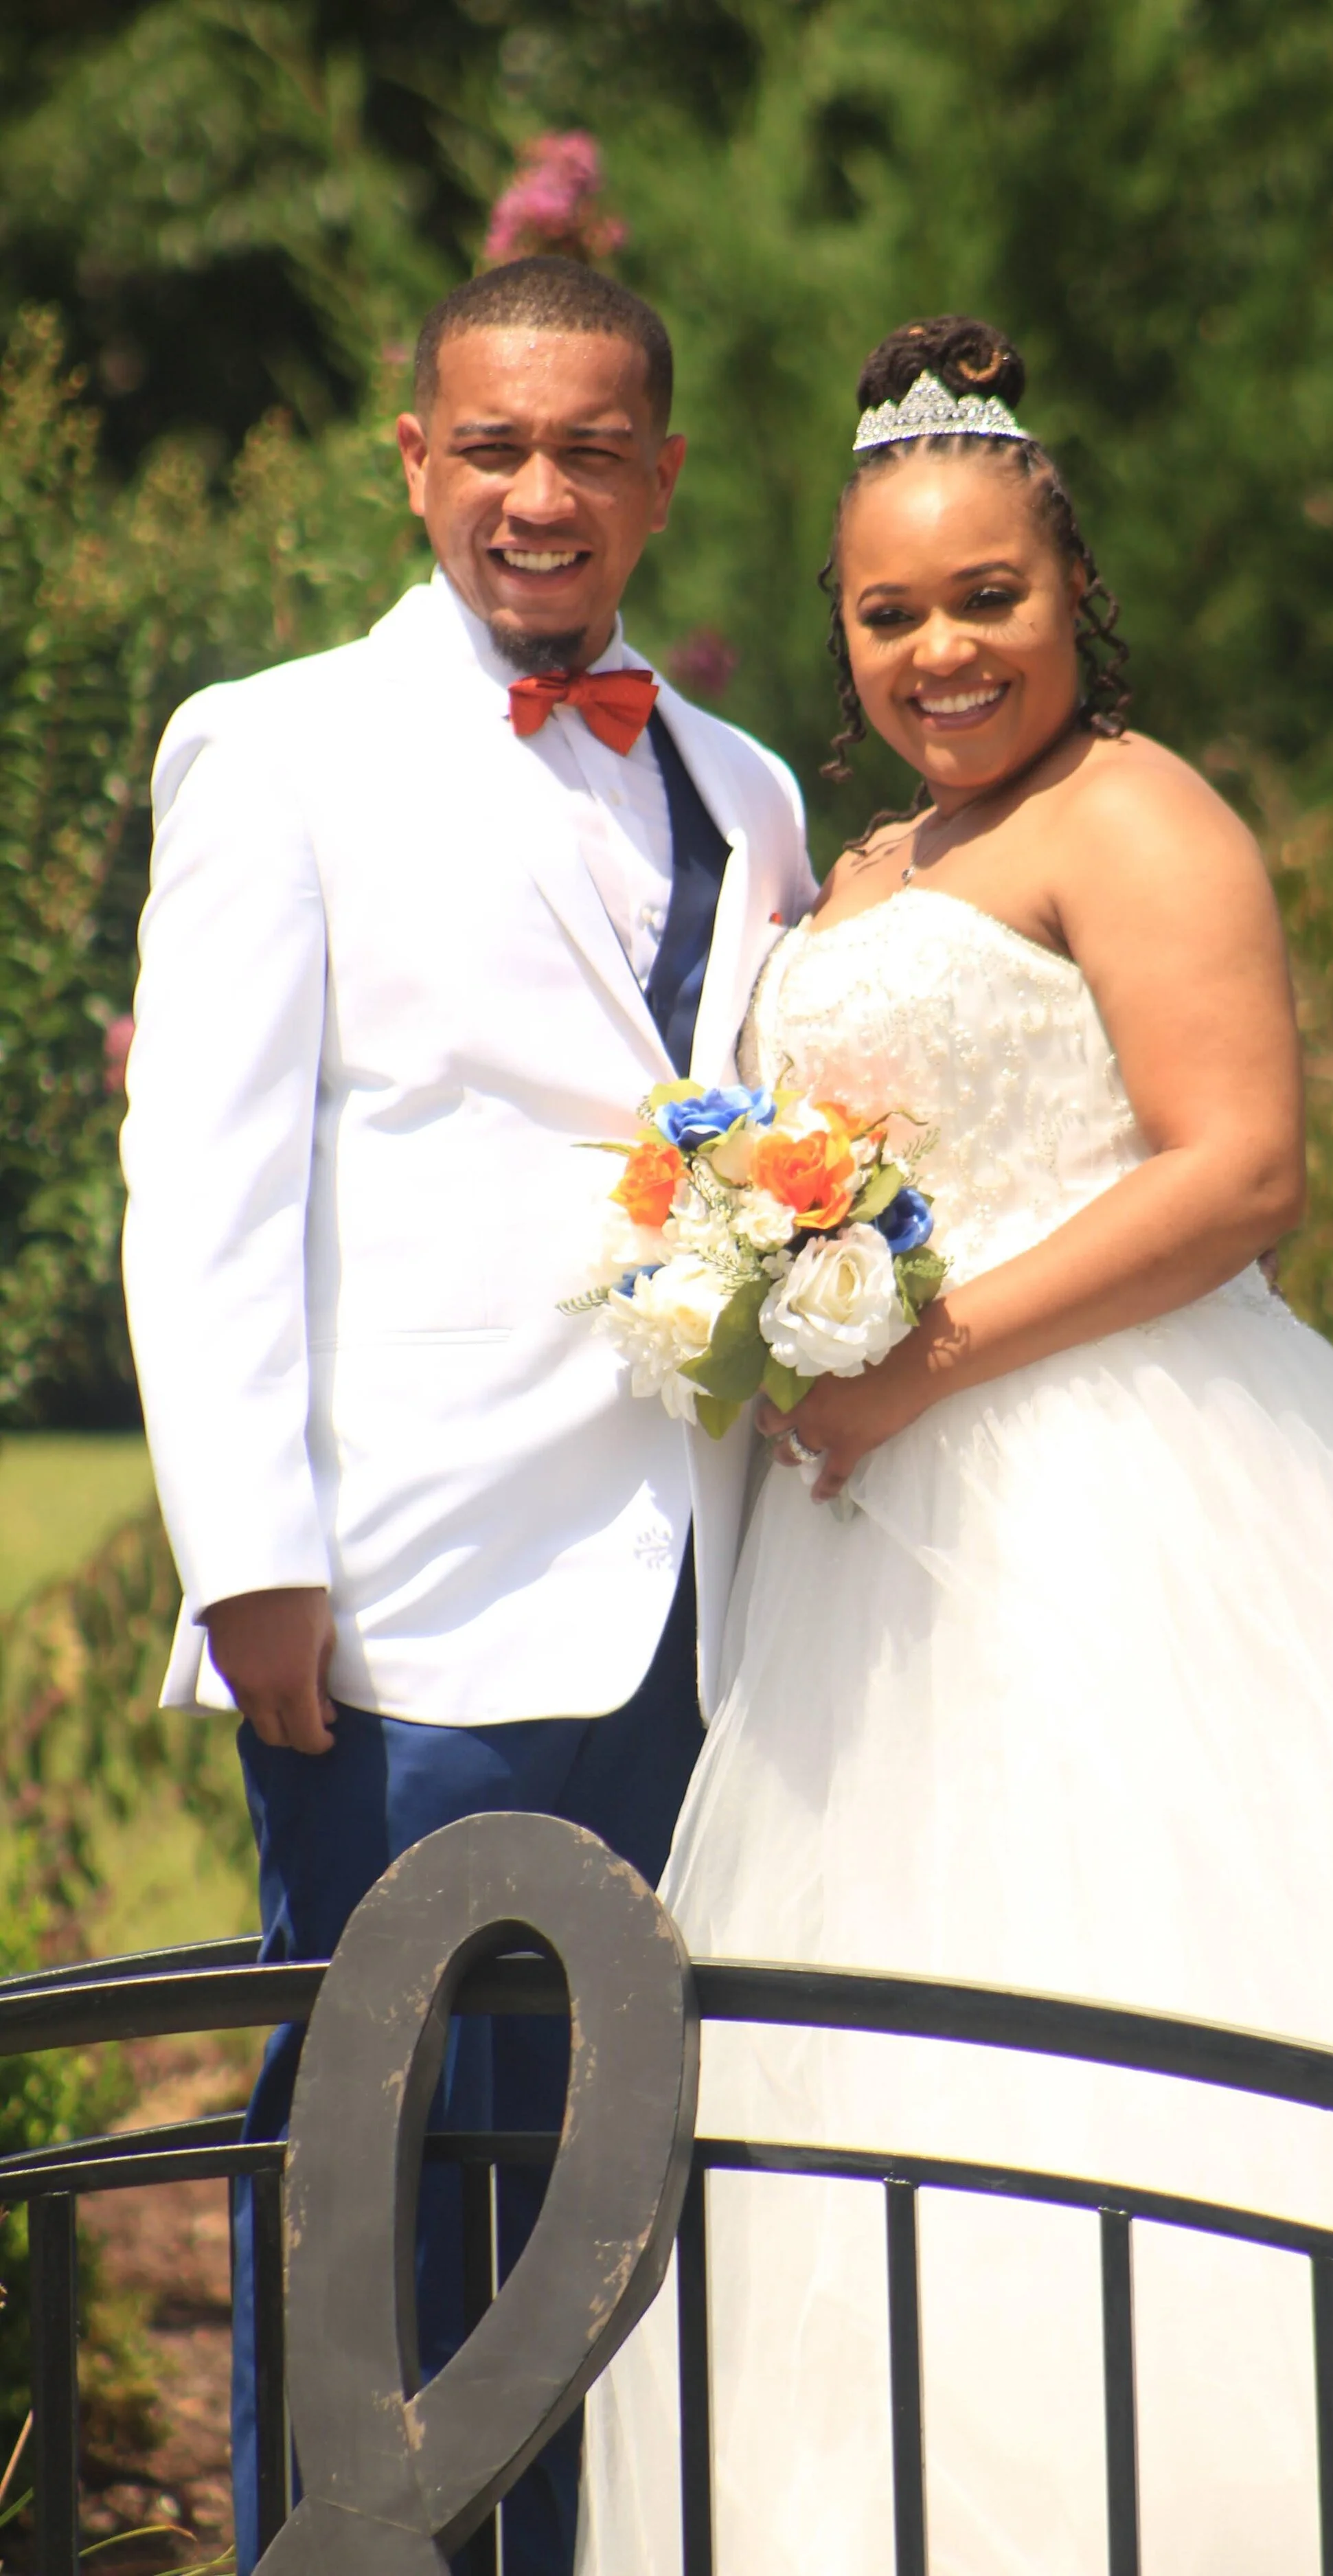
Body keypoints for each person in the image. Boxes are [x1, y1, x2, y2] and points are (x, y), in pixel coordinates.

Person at [578, 318, 1333, 2575]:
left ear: (1073, 589)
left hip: (1115, 1504)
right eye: (888, 610)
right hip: (867, 1563)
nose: (940, 647)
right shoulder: (865, 860)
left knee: (1151, 2015)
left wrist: (922, 1354)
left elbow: (1238, 1171)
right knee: (888, 2063)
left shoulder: (1137, 812)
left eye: (985, 595)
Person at [119, 256, 815, 2574]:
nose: (540, 492)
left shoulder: (751, 789)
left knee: (619, 2172)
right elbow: (204, 1181)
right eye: (494, 445)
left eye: (589, 450)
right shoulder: (276, 745)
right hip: (398, 1597)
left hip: (698, 1607)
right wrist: (250, 1558)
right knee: (376, 2167)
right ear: (416, 459)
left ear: (661, 479)